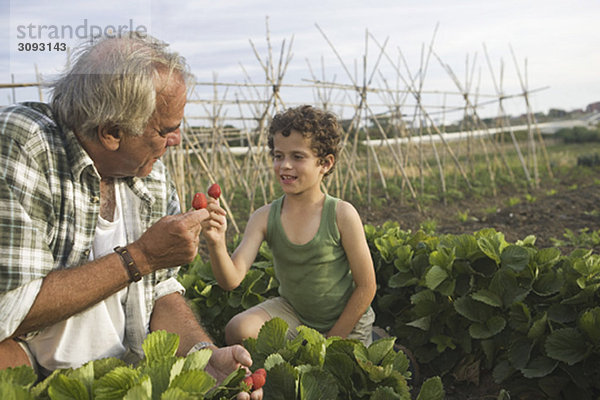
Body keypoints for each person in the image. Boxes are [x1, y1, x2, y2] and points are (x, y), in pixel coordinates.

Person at [0, 32, 262, 400]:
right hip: (32, 373)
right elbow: (10, 307)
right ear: (110, 132)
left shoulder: (149, 174)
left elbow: (160, 292)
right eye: (165, 130)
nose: (178, 140)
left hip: (120, 378)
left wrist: (204, 358)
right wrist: (141, 257)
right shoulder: (24, 145)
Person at [202, 105, 377, 346]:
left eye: (297, 156)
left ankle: (376, 337)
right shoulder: (264, 217)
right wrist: (216, 243)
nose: (284, 165)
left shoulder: (341, 214)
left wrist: (332, 340)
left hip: (345, 318)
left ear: (325, 163)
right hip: (293, 313)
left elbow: (367, 287)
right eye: (278, 156)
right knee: (238, 329)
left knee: (345, 377)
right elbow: (231, 279)